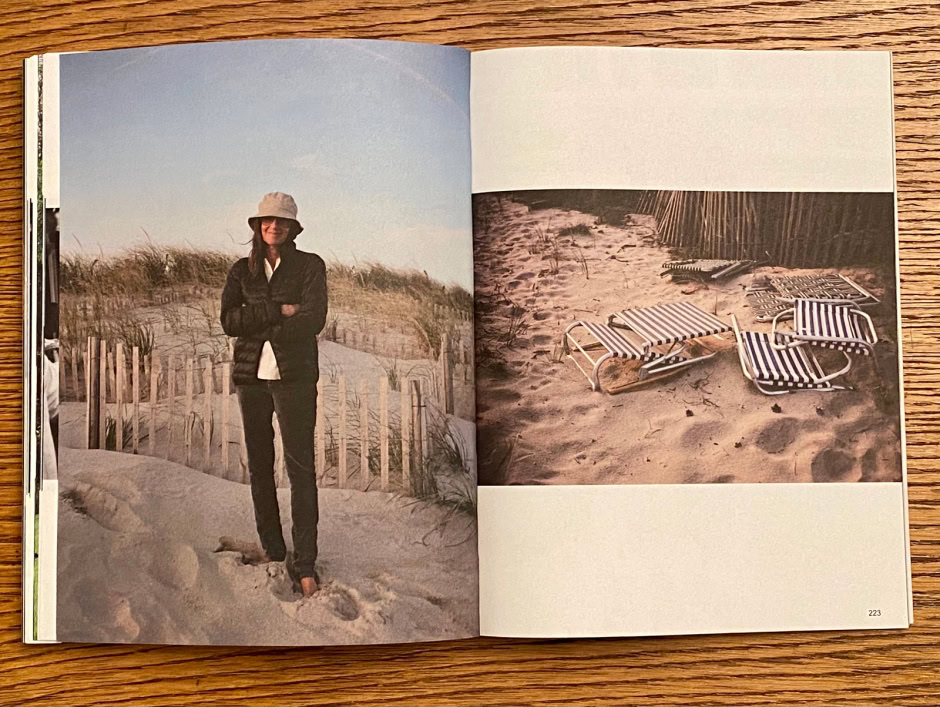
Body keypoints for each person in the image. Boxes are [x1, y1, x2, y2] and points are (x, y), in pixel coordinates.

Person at [220, 192, 327, 597]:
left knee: (301, 470)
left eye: (282, 221)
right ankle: (273, 548)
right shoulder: (241, 270)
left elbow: (313, 319)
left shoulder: (310, 266)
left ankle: (305, 564)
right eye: (267, 220)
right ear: (257, 225)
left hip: (294, 378)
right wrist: (277, 310)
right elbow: (229, 321)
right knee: (260, 466)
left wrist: (260, 320)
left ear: (293, 228)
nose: (274, 226)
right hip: (250, 378)